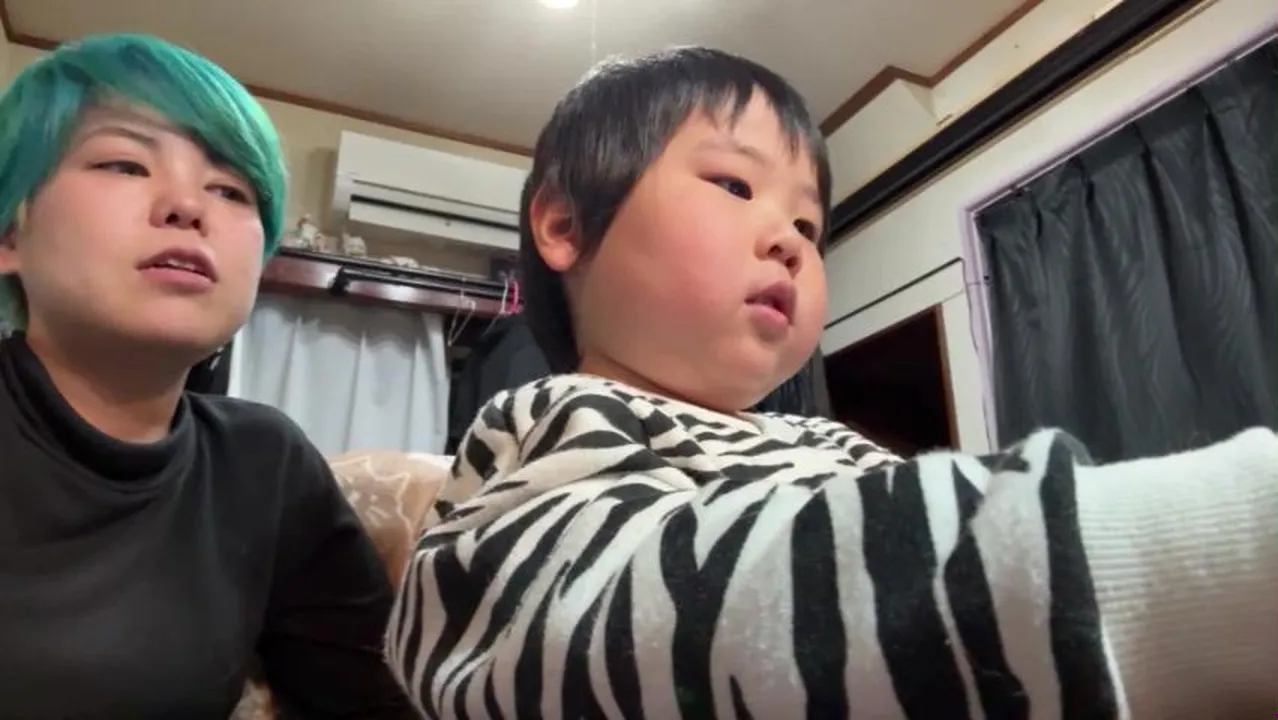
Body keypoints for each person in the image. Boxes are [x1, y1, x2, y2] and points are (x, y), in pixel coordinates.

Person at [385, 46, 1278, 719]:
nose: (789, 241)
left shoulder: (823, 441)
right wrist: (1168, 558)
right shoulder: (552, 418)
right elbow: (578, 633)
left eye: (810, 227)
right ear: (566, 226)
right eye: (735, 185)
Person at [0, 34, 417, 718]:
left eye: (230, 190)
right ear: (10, 236)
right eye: (125, 164)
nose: (187, 207)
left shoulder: (264, 464)